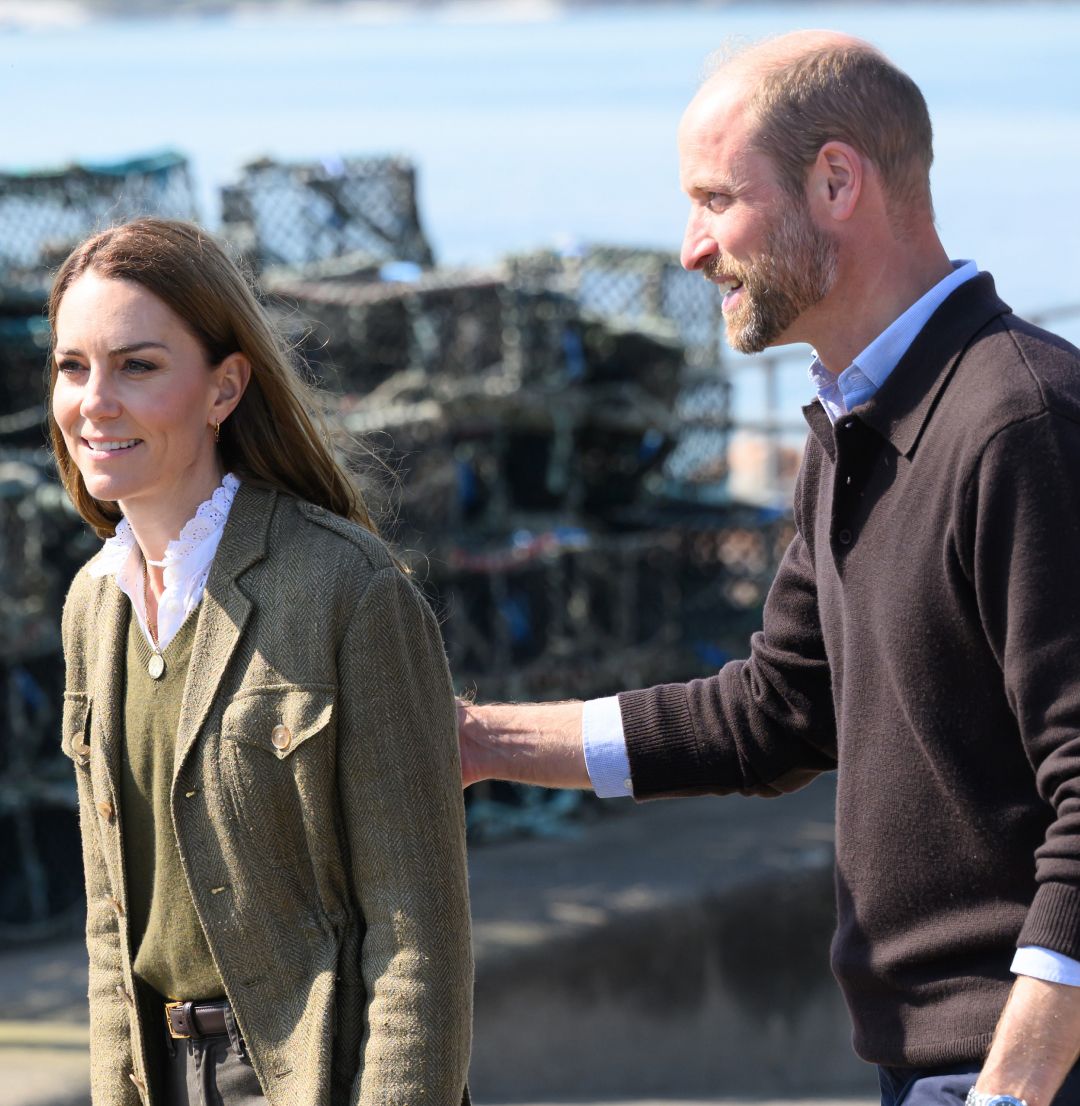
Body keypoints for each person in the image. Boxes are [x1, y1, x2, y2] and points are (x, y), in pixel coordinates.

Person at [459, 31, 1080, 1106]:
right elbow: (775, 713)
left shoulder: (1022, 420)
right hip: (935, 1061)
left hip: (1017, 1067)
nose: (691, 249)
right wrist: (478, 742)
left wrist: (1012, 1085)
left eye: (715, 199)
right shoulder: (857, 424)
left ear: (837, 181)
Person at [51, 218, 472, 1105]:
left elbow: (417, 940)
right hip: (157, 1071)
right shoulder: (92, 604)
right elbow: (109, 930)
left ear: (225, 387)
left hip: (307, 1076)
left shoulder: (349, 588)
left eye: (138, 366)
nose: (95, 401)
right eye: (73, 367)